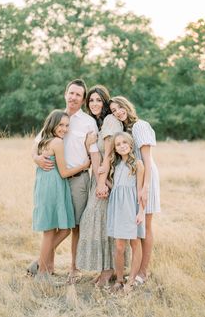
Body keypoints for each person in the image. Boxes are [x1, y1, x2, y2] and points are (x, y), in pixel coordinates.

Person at [32, 79, 100, 281]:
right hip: (56, 179)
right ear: (65, 94)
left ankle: (74, 267)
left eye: (78, 94)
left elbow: (94, 152)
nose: (74, 97)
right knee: (54, 224)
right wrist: (36, 158)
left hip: (78, 180)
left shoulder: (89, 122)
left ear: (83, 99)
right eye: (71, 93)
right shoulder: (55, 118)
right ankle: (47, 266)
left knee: (76, 225)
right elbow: (36, 144)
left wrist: (99, 179)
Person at [76, 85, 124, 286]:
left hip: (109, 176)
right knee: (97, 219)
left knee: (101, 219)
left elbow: (111, 153)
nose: (94, 104)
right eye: (91, 100)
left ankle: (109, 270)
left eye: (98, 100)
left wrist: (104, 182)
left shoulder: (111, 121)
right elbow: (95, 154)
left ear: (105, 102)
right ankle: (106, 268)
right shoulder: (96, 123)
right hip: (99, 176)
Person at [109, 96, 160, 284]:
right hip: (133, 181)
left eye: (119, 107)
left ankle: (143, 272)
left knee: (145, 227)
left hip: (147, 178)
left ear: (127, 105)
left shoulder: (139, 126)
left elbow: (147, 160)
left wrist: (145, 188)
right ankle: (132, 271)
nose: (118, 112)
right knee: (136, 229)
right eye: (113, 111)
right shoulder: (124, 129)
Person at [107, 132, 145, 292]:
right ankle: (119, 280)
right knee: (119, 246)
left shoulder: (138, 164)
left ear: (130, 145)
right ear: (115, 149)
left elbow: (141, 191)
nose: (121, 146)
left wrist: (141, 211)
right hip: (117, 208)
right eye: (118, 144)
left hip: (131, 208)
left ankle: (131, 281)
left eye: (124, 142)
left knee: (135, 243)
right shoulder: (115, 166)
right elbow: (115, 187)